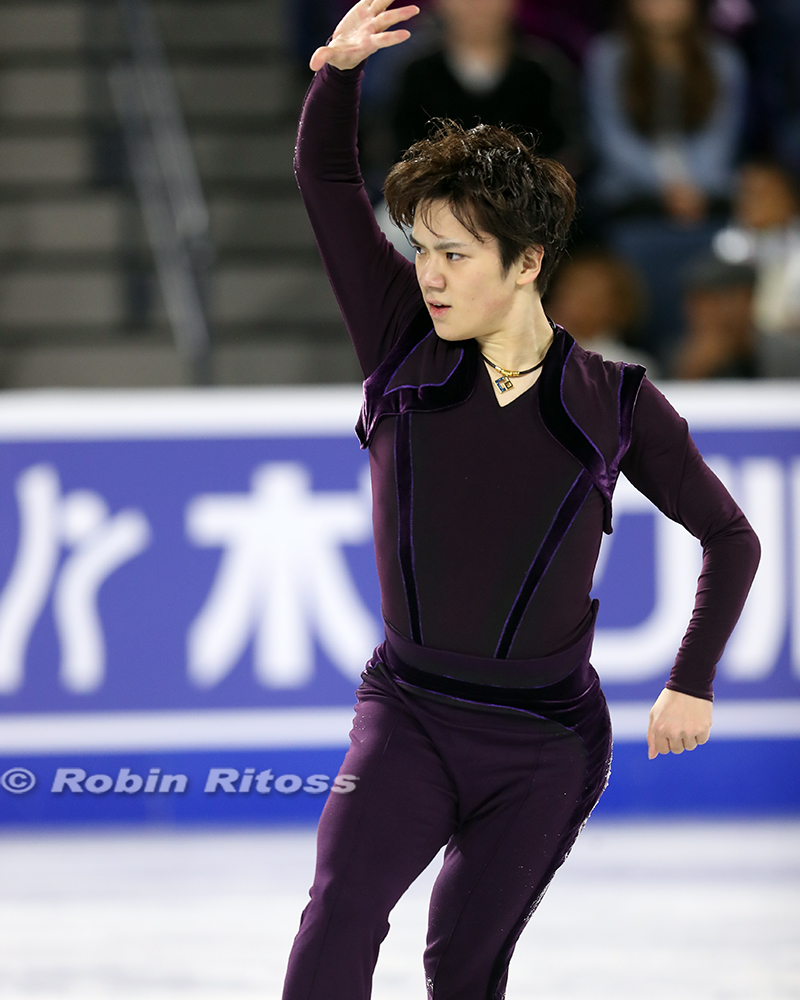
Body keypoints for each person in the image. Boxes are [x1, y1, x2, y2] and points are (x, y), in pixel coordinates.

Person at [285, 3, 760, 999]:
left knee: (462, 965)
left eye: (454, 254)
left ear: (527, 262)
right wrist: (336, 76)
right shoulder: (401, 339)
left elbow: (729, 536)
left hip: (545, 745)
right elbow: (325, 183)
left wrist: (692, 680)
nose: (429, 273)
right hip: (409, 713)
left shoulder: (614, 400)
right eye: (420, 248)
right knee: (340, 910)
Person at [584, 0, 747, 362]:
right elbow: (611, 138)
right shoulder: (607, 56)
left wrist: (693, 186)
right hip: (633, 201)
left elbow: (722, 136)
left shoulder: (723, 59)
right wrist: (666, 186)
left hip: (706, 201)